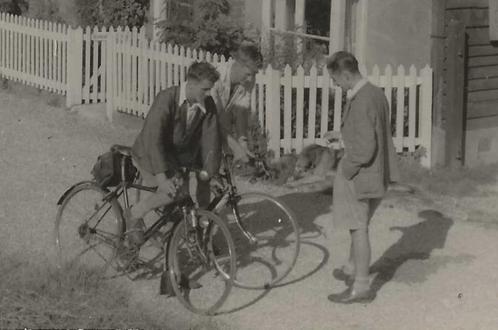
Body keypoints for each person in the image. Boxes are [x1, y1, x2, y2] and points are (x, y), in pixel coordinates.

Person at [325, 51, 400, 304]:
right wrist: (343, 135)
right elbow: (373, 131)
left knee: (358, 228)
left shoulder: (360, 100)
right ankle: (350, 268)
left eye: (337, 81)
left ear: (346, 74)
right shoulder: (375, 93)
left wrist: (346, 168)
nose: (337, 86)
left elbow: (366, 148)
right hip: (379, 172)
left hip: (361, 174)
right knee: (361, 222)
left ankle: (360, 287)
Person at [125, 62, 222, 252]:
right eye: (205, 89)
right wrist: (162, 178)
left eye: (210, 89)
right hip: (149, 153)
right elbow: (153, 140)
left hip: (174, 158)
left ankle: (181, 235)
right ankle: (134, 213)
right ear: (191, 84)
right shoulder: (167, 98)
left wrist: (212, 174)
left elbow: (211, 141)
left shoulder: (207, 104)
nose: (208, 94)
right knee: (173, 191)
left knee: (190, 192)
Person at [211, 42, 263, 162]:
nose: (251, 79)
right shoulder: (216, 77)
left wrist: (242, 142)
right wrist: (236, 148)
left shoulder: (248, 81)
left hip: (215, 125)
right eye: (248, 74)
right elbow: (212, 120)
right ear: (237, 64)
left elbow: (241, 111)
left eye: (254, 74)